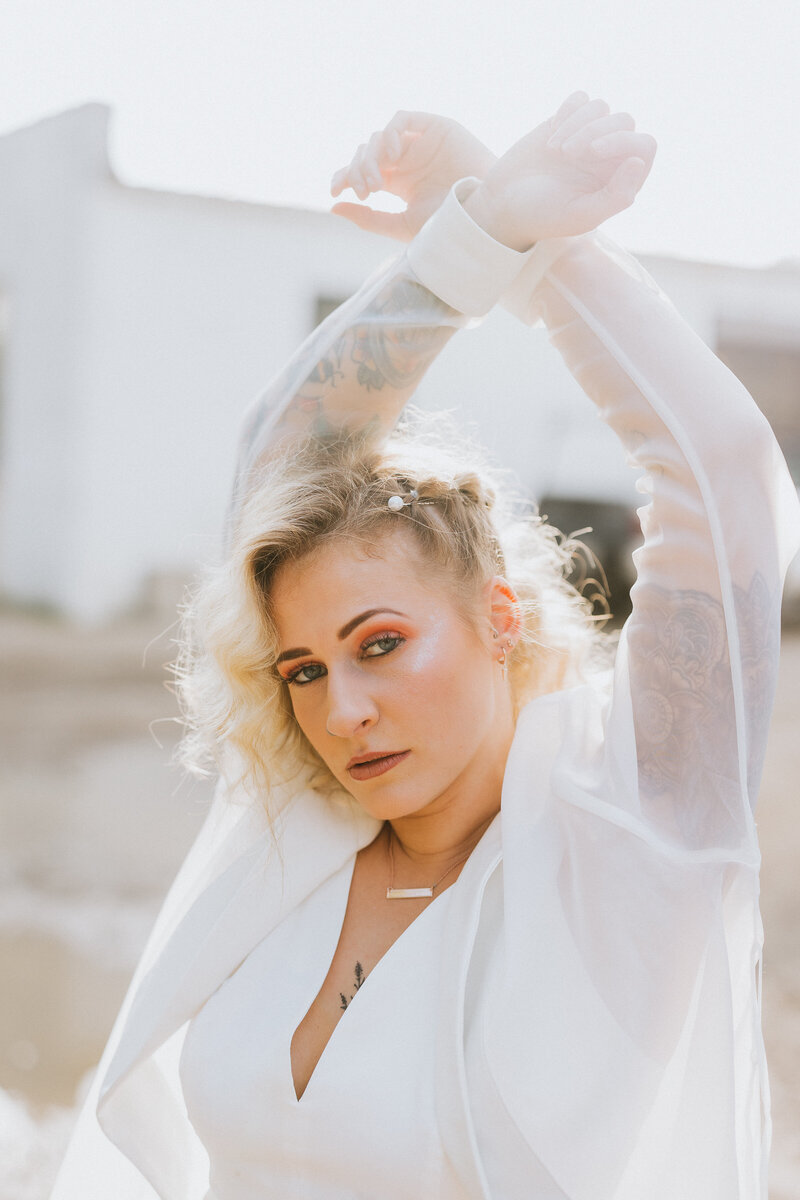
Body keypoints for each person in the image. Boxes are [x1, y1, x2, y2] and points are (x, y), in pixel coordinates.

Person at [51, 92, 799, 1200]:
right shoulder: (303, 825)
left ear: (500, 617)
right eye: (303, 668)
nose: (338, 709)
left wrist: (526, 246)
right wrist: (471, 233)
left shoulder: (625, 845)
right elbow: (281, 452)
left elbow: (724, 471)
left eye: (381, 643)